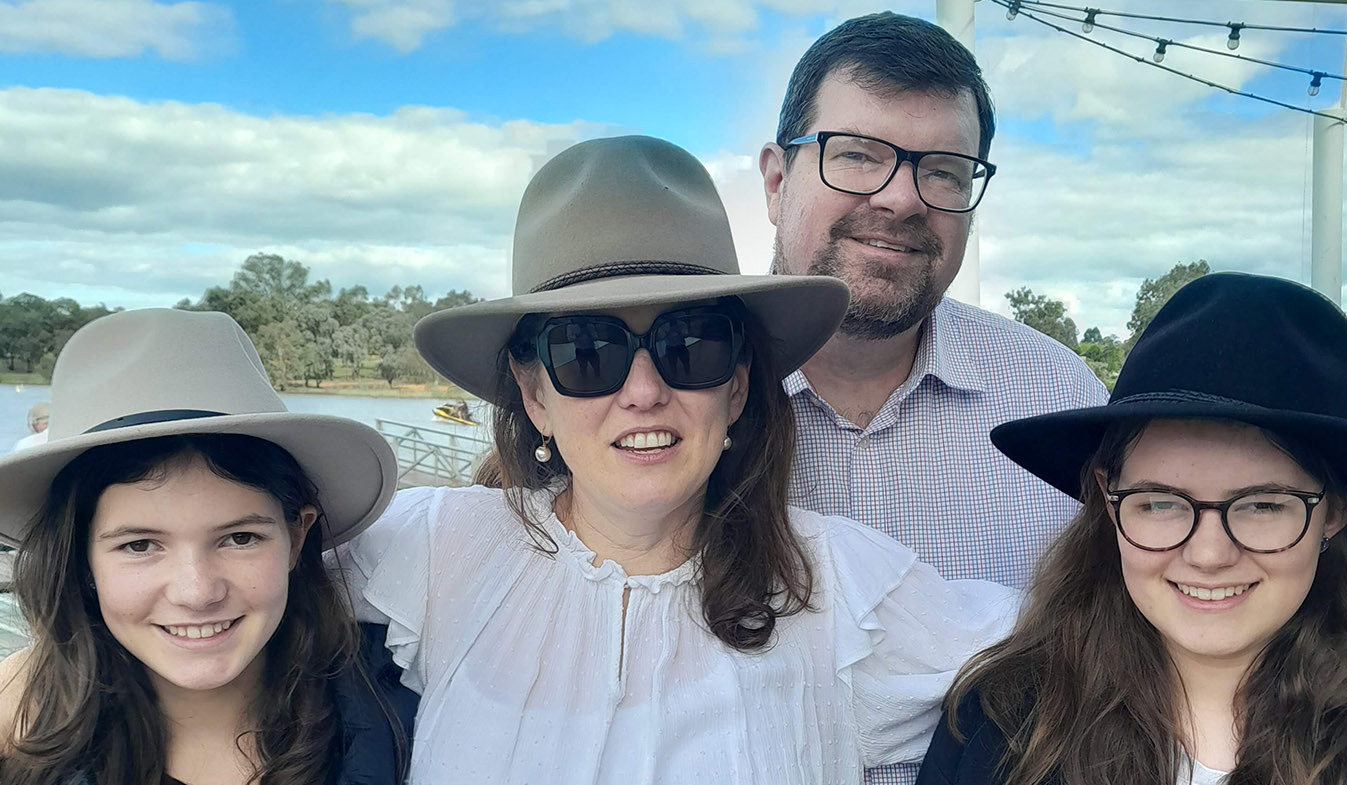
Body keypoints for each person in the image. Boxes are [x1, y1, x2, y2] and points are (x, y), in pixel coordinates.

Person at [337, 135, 1017, 784]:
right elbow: (246, 566)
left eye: (692, 344)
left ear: (739, 384)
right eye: (587, 351)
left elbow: (1077, 642)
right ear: (533, 393)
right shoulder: (433, 546)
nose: (643, 392)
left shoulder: (841, 589)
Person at [918, 273, 1347, 785]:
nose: (1209, 555)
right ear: (1109, 497)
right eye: (1162, 503)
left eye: (1261, 506)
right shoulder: (998, 730)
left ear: (1336, 513)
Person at [758, 11, 1106, 587]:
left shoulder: (1060, 404)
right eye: (857, 154)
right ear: (777, 182)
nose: (901, 200)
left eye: (945, 172)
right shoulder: (660, 395)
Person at [0, 309, 418, 785]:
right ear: (79, 558)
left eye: (240, 539)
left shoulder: (406, 707)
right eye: (139, 546)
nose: (196, 592)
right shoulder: (23, 737)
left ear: (297, 537)